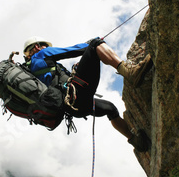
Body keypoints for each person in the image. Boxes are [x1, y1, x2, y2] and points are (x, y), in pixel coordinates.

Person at [22, 36, 153, 152]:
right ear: (37, 47)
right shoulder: (42, 54)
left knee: (110, 109)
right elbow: (70, 51)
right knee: (95, 44)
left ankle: (137, 142)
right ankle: (129, 72)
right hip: (76, 95)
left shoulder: (31, 72)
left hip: (74, 109)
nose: (46, 47)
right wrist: (89, 44)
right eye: (43, 45)